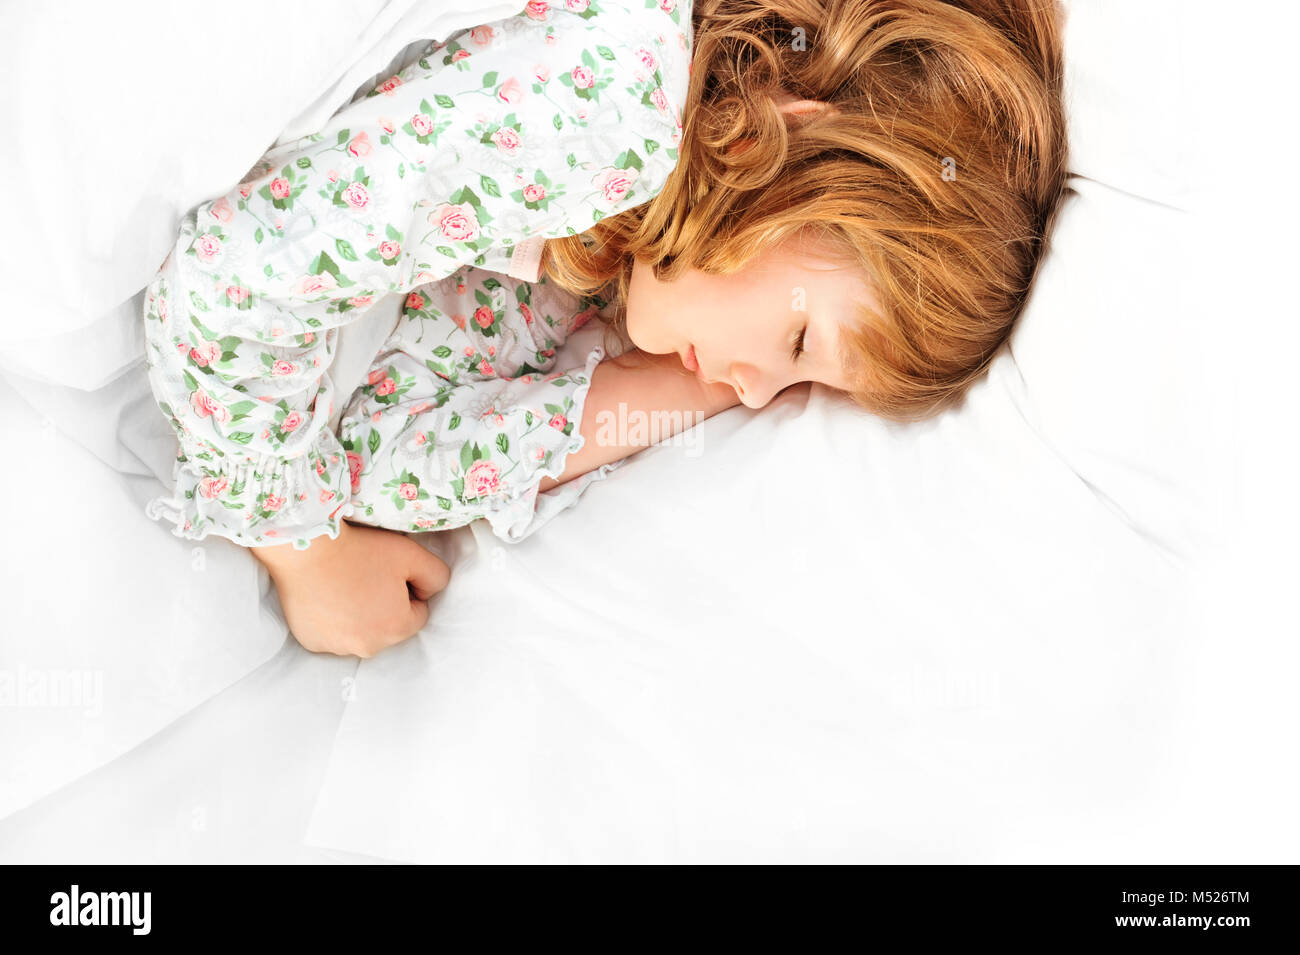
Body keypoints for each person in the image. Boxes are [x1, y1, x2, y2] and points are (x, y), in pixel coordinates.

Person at [142, 0, 1068, 658]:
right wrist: (299, 546)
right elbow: (231, 279)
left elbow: (383, 457)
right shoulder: (615, 104)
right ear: (771, 144)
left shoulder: (597, 252)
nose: (751, 392)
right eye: (795, 348)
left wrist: (685, 385)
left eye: (797, 391)